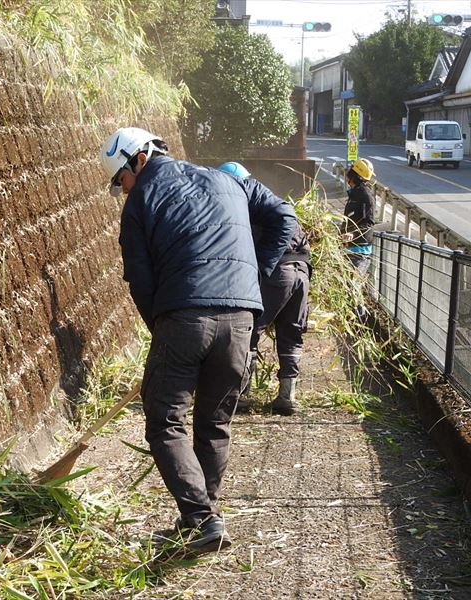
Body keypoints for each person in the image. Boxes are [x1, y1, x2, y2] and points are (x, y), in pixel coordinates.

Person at [99, 128, 296, 555]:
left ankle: (201, 517)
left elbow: (140, 277)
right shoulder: (229, 181)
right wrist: (253, 275)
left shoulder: (141, 203)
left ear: (138, 159)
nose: (122, 188)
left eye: (120, 178)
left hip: (184, 315)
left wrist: (163, 327)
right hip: (241, 319)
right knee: (214, 422)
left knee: (165, 421)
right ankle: (203, 518)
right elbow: (285, 217)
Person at [218, 162, 311, 417]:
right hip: (302, 273)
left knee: (250, 330)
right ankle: (287, 397)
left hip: (277, 274)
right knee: (291, 333)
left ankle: (242, 394)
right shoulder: (270, 201)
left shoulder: (245, 206)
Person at [341, 158, 376, 319]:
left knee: (352, 283)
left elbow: (368, 223)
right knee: (348, 283)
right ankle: (353, 316)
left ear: (354, 175)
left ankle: (360, 319)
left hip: (360, 249)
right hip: (349, 247)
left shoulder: (365, 195)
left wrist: (352, 234)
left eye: (349, 172)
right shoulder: (354, 193)